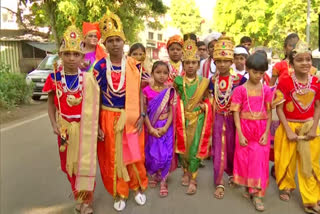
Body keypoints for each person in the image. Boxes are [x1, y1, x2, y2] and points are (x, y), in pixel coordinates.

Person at [93, 10, 148, 211]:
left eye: (118, 39)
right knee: (113, 157)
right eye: (110, 40)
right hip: (108, 117)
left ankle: (138, 188)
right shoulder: (98, 67)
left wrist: (142, 114)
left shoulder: (134, 65)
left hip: (132, 116)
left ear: (123, 41)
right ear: (104, 44)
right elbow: (95, 99)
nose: (115, 44)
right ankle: (119, 192)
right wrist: (97, 124)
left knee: (134, 154)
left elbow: (141, 93)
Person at [43, 23, 100, 214]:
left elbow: (94, 106)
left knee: (86, 163)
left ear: (82, 57)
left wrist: (98, 127)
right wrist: (53, 124)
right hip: (65, 129)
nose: (71, 58)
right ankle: (78, 196)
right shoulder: (54, 78)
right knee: (69, 167)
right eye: (67, 54)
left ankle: (87, 201)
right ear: (61, 55)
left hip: (85, 128)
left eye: (76, 54)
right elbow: (50, 103)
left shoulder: (88, 78)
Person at [273, 41, 320, 214]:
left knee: (311, 163)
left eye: (308, 60)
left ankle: (311, 198)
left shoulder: (316, 81)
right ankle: (286, 186)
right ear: (292, 64)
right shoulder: (284, 81)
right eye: (300, 60)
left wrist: (314, 128)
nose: (306, 63)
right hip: (289, 126)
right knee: (286, 159)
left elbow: (318, 106)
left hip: (309, 127)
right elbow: (279, 108)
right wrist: (288, 130)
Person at [231, 53, 273, 212]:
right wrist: (240, 133)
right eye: (255, 72)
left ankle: (258, 195)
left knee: (260, 161)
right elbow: (236, 112)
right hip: (244, 128)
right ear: (248, 70)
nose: (258, 76)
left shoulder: (267, 90)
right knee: (245, 160)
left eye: (262, 73)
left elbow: (269, 113)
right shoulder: (240, 90)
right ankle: (250, 188)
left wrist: (266, 131)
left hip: (261, 129)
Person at [209, 36, 247, 200]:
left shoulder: (240, 80)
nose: (222, 64)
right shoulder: (212, 81)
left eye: (226, 60)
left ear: (231, 62)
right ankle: (219, 182)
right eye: (219, 61)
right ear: (214, 62)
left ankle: (233, 174)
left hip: (235, 119)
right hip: (218, 119)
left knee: (234, 148)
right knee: (219, 149)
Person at [174, 38, 212, 195]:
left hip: (198, 119)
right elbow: (174, 99)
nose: (190, 66)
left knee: (195, 149)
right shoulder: (177, 81)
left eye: (193, 63)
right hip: (182, 120)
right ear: (183, 64)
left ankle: (193, 179)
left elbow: (209, 100)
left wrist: (204, 106)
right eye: (187, 62)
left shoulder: (204, 82)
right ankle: (185, 171)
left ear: (198, 64)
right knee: (183, 150)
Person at [143, 61, 175, 198]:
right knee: (154, 153)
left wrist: (166, 127)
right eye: (158, 72)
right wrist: (150, 128)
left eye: (165, 73)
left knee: (166, 154)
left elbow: (172, 111)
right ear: (152, 74)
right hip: (151, 126)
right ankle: (156, 173)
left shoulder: (169, 90)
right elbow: (143, 112)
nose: (162, 76)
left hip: (166, 126)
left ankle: (163, 180)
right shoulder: (146, 91)